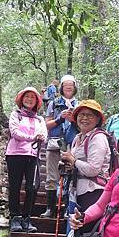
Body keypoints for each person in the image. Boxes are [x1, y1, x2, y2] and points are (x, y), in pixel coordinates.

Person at [60, 99, 111, 237]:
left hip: (96, 193)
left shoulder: (98, 139)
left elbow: (94, 169)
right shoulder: (78, 139)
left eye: (90, 115)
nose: (84, 118)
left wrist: (74, 161)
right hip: (80, 193)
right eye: (81, 114)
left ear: (98, 119)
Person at [6, 87, 47, 232]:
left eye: (32, 97)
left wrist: (40, 137)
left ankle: (26, 218)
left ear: (37, 101)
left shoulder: (40, 119)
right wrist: (32, 138)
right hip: (15, 155)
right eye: (27, 97)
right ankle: (15, 218)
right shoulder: (15, 115)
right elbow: (15, 132)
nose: (29, 99)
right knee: (15, 186)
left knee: (33, 187)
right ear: (22, 100)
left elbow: (43, 134)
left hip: (33, 156)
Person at [42, 74, 79, 218]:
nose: (68, 87)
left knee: (69, 175)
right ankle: (50, 208)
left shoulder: (79, 104)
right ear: (61, 87)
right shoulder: (54, 103)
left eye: (71, 84)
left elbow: (84, 127)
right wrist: (60, 118)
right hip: (54, 142)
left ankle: (65, 208)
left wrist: (73, 120)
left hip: (72, 144)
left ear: (74, 87)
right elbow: (46, 125)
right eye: (65, 85)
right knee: (52, 176)